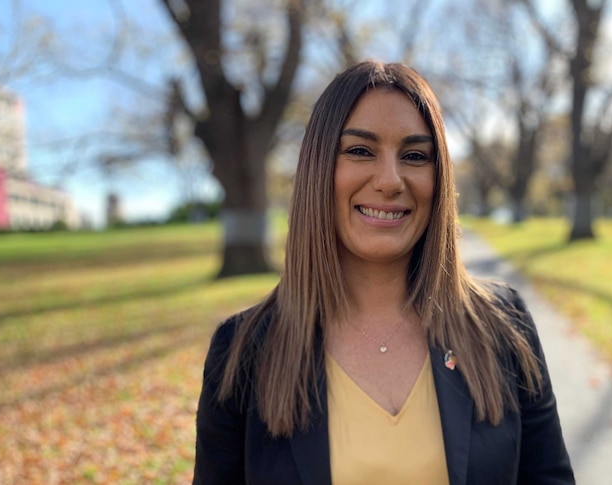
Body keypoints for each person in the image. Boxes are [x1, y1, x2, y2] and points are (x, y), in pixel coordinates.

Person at [193, 60, 575, 485]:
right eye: (360, 150)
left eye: (414, 156)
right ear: (319, 169)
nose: (391, 180)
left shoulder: (505, 326)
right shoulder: (242, 352)